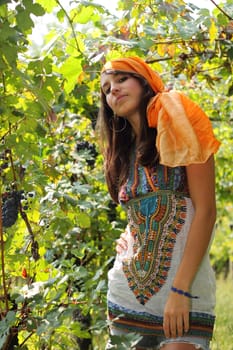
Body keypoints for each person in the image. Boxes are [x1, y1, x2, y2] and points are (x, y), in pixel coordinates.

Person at [96, 56, 220, 350]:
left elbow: (206, 212)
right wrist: (128, 234)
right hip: (126, 294)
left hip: (184, 295)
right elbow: (138, 213)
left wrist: (180, 290)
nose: (113, 90)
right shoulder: (121, 152)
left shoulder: (182, 121)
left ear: (144, 81)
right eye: (106, 88)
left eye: (121, 79)